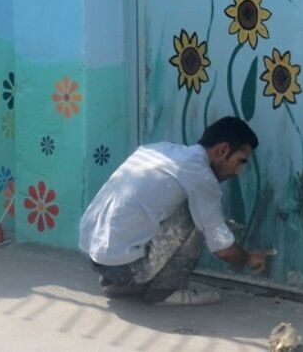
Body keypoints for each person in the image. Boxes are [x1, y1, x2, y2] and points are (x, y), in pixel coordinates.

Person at [79, 116, 272, 305]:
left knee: (191, 210)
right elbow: (222, 248)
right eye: (240, 161)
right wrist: (248, 258)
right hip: (123, 266)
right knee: (201, 217)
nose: (238, 172)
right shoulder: (200, 175)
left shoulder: (158, 150)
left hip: (93, 256)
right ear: (223, 150)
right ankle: (164, 291)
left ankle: (117, 283)